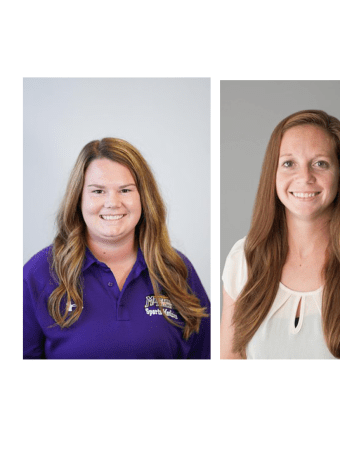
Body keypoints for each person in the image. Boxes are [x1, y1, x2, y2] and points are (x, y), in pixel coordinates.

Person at [221, 110, 340, 359]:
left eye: (320, 163)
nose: (305, 177)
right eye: (289, 163)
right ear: (272, 174)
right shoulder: (243, 260)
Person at [23, 138, 210, 359]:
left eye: (125, 190)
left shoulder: (176, 270)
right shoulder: (40, 273)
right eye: (98, 191)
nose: (112, 202)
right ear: (78, 198)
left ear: (144, 198)